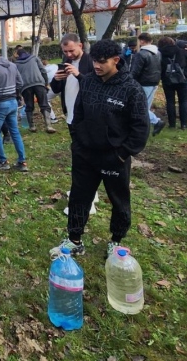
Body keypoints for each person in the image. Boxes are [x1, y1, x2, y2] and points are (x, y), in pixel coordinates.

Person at [50, 40, 149, 259]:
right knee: (78, 197)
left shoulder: (131, 89)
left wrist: (122, 153)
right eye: (94, 60)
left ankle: (116, 240)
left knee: (119, 200)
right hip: (85, 154)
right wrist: (77, 142)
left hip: (114, 157)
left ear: (116, 60)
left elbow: (140, 127)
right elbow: (78, 115)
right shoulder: (87, 83)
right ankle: (74, 239)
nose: (96, 65)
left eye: (102, 62)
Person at [0, 45, 28, 172]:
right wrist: (14, 93)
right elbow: (20, 83)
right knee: (15, 131)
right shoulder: (12, 65)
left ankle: (2, 161)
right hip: (13, 102)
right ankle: (22, 161)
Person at [50, 33, 95, 129]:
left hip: (86, 114)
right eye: (65, 51)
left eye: (71, 50)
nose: (69, 54)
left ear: (80, 46)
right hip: (70, 112)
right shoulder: (66, 61)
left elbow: (95, 87)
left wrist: (78, 75)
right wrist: (56, 79)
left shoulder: (91, 62)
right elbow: (56, 89)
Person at [14, 46, 56, 133]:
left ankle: (32, 126)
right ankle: (48, 126)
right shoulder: (34, 58)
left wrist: (18, 92)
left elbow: (16, 78)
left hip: (25, 87)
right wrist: (46, 82)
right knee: (44, 104)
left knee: (29, 106)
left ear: (18, 55)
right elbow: (43, 70)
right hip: (39, 83)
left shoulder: (16, 64)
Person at [130, 33, 164, 136]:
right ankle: (145, 128)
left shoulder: (141, 54)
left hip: (143, 83)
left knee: (140, 107)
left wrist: (129, 81)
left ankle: (156, 121)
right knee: (145, 107)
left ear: (142, 41)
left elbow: (135, 71)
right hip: (154, 82)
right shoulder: (157, 52)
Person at [157, 36, 187, 130]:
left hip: (167, 79)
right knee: (183, 101)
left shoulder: (160, 54)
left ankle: (172, 124)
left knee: (170, 102)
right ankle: (184, 124)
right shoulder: (181, 51)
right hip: (182, 78)